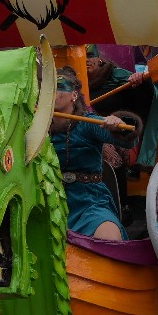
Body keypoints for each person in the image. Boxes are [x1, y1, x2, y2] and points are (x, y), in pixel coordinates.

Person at [49, 68, 132, 240]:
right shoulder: (38, 127)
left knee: (109, 237)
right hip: (49, 201)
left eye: (59, 87)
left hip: (89, 201)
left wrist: (117, 124)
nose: (52, 92)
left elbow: (128, 140)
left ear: (73, 95)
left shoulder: (88, 123)